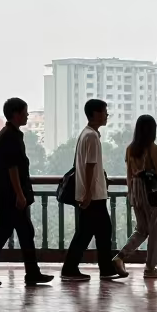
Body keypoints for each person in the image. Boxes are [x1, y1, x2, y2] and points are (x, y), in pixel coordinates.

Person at [0, 97, 53, 288]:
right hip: (12, 196)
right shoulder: (10, 136)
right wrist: (19, 194)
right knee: (17, 232)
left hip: (9, 195)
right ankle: (28, 273)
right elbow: (12, 168)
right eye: (25, 112)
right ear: (16, 114)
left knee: (10, 233)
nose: (27, 115)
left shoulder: (8, 134)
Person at [61, 99, 123, 282]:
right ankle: (75, 269)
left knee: (94, 232)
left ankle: (101, 268)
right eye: (104, 112)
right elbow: (89, 166)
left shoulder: (86, 134)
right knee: (96, 231)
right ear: (95, 114)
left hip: (91, 192)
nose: (106, 115)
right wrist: (88, 193)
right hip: (93, 195)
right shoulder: (92, 137)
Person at [112, 113, 157, 280]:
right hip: (152, 193)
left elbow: (129, 175)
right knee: (155, 231)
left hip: (136, 191)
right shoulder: (154, 149)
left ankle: (121, 256)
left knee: (142, 229)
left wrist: (131, 192)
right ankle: (150, 268)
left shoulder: (130, 149)